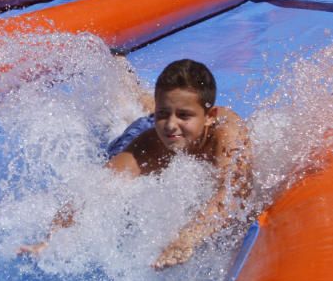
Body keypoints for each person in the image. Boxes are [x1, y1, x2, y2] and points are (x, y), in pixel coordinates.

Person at [21, 59, 251, 269]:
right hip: (143, 131)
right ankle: (124, 78)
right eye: (165, 113)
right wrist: (51, 240)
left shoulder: (228, 135)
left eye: (184, 115)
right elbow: (95, 189)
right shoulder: (151, 143)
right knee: (127, 117)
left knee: (148, 110)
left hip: (161, 129)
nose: (171, 124)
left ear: (210, 115)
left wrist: (188, 236)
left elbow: (234, 190)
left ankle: (134, 86)